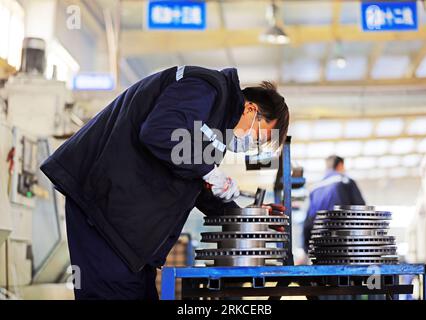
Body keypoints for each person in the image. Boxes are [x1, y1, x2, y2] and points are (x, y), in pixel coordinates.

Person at [40, 66, 290, 300]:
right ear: (251, 110)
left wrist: (246, 216)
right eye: (258, 136)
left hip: (131, 235)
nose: (250, 144)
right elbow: (159, 131)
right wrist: (208, 171)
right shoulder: (205, 87)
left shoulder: (217, 130)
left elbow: (195, 185)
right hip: (103, 213)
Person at [303, 155, 365, 253]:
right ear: (340, 165)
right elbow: (362, 211)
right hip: (344, 247)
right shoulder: (345, 181)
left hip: (321, 247)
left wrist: (307, 249)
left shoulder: (315, 188)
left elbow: (308, 222)